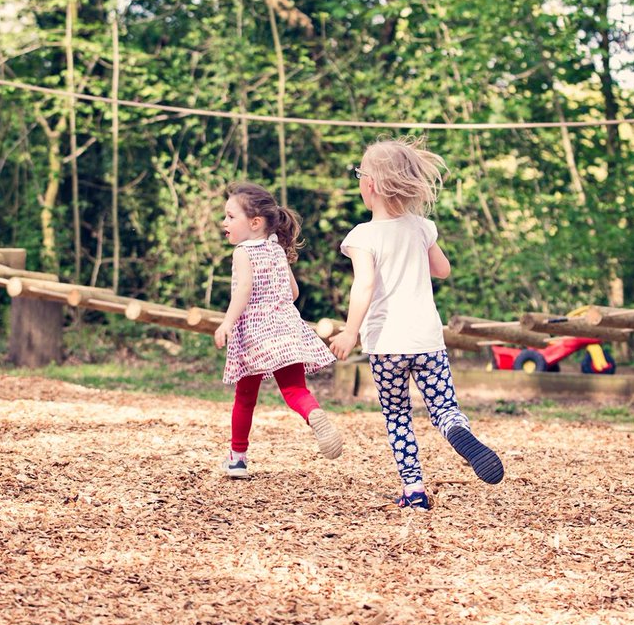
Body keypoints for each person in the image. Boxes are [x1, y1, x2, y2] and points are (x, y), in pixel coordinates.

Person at [329, 137, 504, 510]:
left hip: (387, 344)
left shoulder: (363, 236)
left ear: (371, 185)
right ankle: (460, 434)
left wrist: (349, 331)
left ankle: (415, 491)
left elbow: (364, 285)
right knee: (443, 408)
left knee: (397, 416)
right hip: (427, 340)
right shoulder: (422, 227)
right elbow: (443, 269)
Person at [215, 182, 342, 478]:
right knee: (295, 390)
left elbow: (243, 291)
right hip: (286, 328)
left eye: (231, 217)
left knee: (245, 397)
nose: (225, 222)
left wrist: (227, 322)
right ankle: (314, 414)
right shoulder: (275, 247)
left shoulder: (243, 253)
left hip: (255, 334)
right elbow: (293, 291)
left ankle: (237, 459)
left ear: (255, 222)